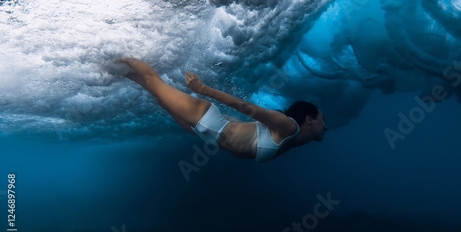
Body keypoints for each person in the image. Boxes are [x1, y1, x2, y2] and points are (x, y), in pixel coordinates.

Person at [119, 57, 329, 162]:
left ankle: (118, 71)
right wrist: (203, 89)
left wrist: (231, 125)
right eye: (322, 119)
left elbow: (249, 134)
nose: (326, 126)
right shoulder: (289, 128)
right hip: (208, 121)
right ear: (309, 119)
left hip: (208, 135)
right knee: (155, 83)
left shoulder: (293, 141)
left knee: (161, 99)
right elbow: (247, 108)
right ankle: (115, 56)